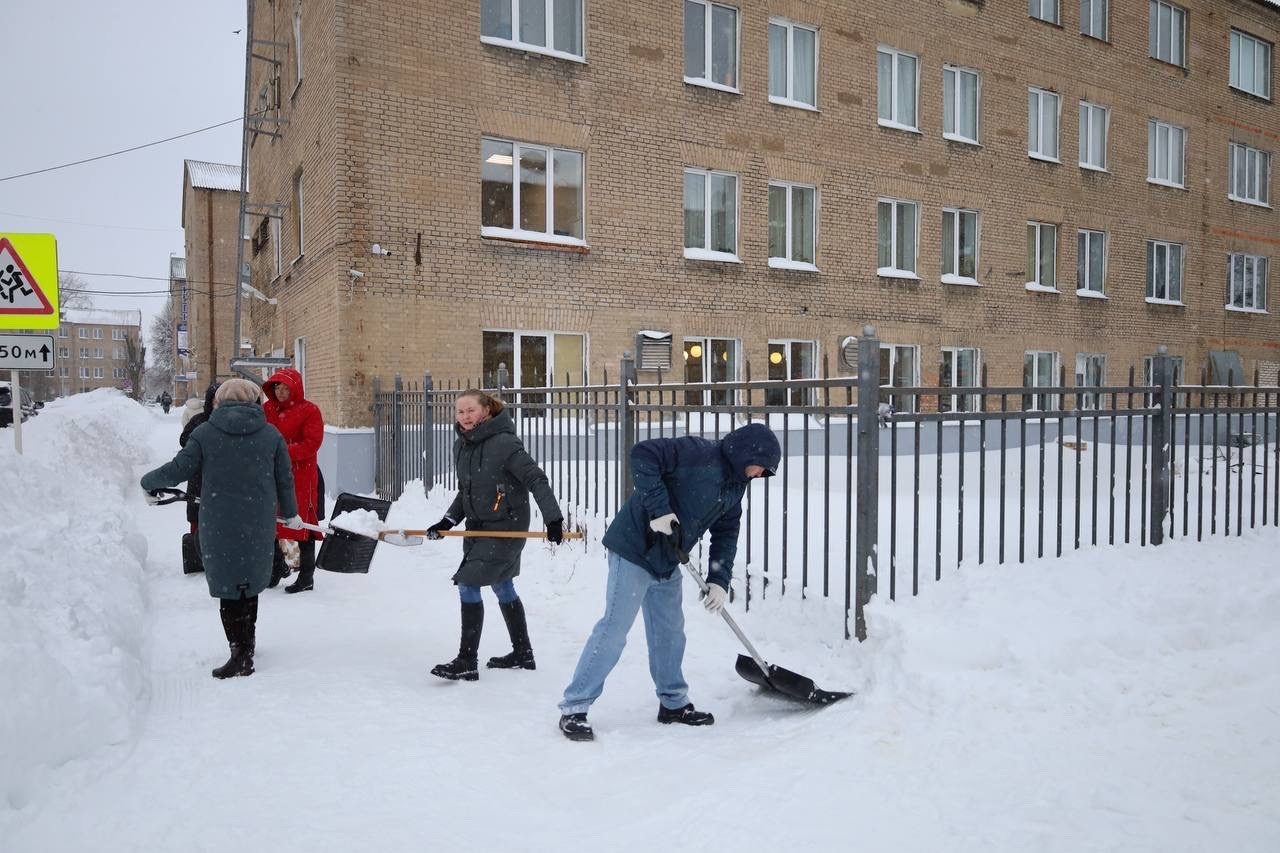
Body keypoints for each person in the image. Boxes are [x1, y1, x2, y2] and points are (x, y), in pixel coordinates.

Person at [557, 421, 781, 742]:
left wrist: (719, 580)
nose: (760, 475)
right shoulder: (698, 452)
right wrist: (659, 510)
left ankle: (673, 704)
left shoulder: (735, 487)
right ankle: (574, 707)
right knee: (614, 630)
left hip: (668, 559)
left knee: (670, 634)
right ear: (747, 453)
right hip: (634, 548)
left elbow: (726, 534)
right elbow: (643, 454)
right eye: (761, 468)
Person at [140, 378, 302, 679]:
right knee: (250, 583)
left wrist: (148, 481)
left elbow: (178, 470)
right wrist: (291, 514)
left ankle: (239, 654)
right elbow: (284, 480)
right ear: (255, 402)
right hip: (258, 521)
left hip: (220, 520)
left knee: (230, 586)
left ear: (220, 402)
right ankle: (246, 645)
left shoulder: (205, 433)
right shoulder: (271, 435)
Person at [425, 389, 564, 681]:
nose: (464, 417)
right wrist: (448, 520)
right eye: (460, 411)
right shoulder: (461, 446)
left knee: (467, 583)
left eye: (470, 411)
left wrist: (553, 518)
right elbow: (467, 491)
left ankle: (467, 660)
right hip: (478, 528)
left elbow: (535, 478)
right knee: (502, 586)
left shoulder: (505, 444)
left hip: (506, 527)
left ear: (486, 411)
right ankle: (523, 653)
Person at [262, 367, 325, 594]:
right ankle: (275, 568)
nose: (280, 391)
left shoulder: (310, 411)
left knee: (303, 524)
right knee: (270, 521)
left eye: (285, 387)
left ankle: (307, 576)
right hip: (271, 475)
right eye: (277, 386)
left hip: (301, 476)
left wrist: (281, 452)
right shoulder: (267, 409)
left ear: (295, 388)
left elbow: (311, 443)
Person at [177, 382, 220, 573]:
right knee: (197, 514)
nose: (218, 403)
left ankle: (218, 554)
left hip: (222, 478)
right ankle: (197, 554)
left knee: (221, 517)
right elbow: (184, 440)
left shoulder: (233, 422)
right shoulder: (199, 420)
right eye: (215, 399)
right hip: (199, 477)